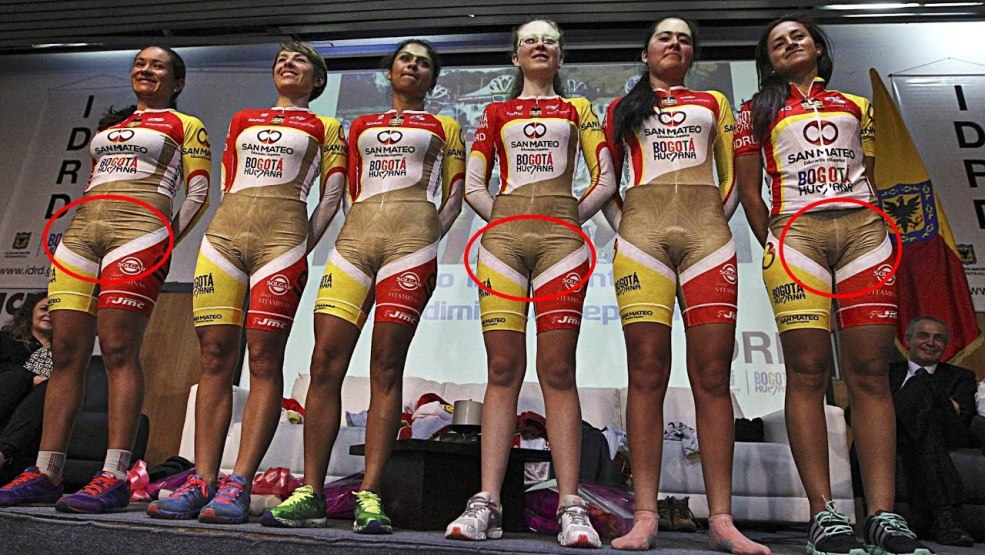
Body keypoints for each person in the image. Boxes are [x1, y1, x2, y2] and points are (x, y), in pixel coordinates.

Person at [734, 17, 930, 555]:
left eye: (798, 36)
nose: (789, 44)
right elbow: (749, 192)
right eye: (778, 42)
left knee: (870, 373)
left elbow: (868, 174)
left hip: (864, 233)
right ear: (769, 61)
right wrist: (773, 240)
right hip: (795, 236)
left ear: (819, 47)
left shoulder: (857, 105)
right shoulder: (754, 111)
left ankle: (883, 515)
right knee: (807, 371)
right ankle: (824, 514)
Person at [259, 39, 466, 533]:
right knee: (323, 362)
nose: (412, 66)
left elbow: (455, 196)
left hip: (410, 246)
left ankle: (369, 494)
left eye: (423, 63)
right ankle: (311, 492)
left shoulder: (447, 126)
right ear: (389, 72)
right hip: (354, 245)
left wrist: (424, 237)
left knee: (386, 367)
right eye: (404, 60)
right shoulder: (360, 127)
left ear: (432, 79)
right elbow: (349, 192)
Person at [0, 46, 211, 512]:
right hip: (82, 234)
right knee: (63, 354)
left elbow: (198, 191)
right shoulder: (109, 128)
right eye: (140, 63)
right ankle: (45, 472)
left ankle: (114, 475)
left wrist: (163, 240)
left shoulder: (185, 124)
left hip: (140, 234)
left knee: (118, 351)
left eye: (158, 65)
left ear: (177, 82)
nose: (145, 69)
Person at [147, 41, 346, 524]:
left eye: (299, 60)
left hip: (283, 241)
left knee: (262, 358)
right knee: (214, 356)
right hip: (224, 238)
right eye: (281, 59)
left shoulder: (328, 126)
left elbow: (332, 194)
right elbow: (227, 182)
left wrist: (301, 244)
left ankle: (238, 482)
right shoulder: (242, 119)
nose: (287, 64)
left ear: (318, 80)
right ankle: (202, 479)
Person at [445, 18, 616, 549]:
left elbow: (606, 179)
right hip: (503, 245)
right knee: (501, 369)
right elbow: (474, 184)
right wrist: (504, 220)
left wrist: (566, 219)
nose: (540, 46)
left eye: (550, 41)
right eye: (530, 41)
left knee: (558, 370)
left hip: (561, 245)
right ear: (515, 56)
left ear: (560, 56)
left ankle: (570, 504)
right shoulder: (495, 113)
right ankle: (487, 501)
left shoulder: (579, 109)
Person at [601, 18, 768, 554]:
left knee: (713, 374)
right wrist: (628, 227)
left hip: (707, 239)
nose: (675, 44)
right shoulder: (621, 108)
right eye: (664, 37)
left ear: (692, 54)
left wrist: (713, 222)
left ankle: (722, 519)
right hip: (642, 239)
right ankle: (645, 515)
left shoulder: (715, 102)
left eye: (684, 39)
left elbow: (733, 177)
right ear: (645, 53)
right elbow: (606, 182)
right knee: (646, 371)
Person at [890, 316, 980, 547]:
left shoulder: (961, 377)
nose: (931, 343)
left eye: (938, 338)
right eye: (923, 336)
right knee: (927, 425)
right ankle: (945, 519)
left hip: (949, 435)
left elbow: (964, 417)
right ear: (908, 340)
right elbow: (853, 414)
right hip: (892, 437)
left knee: (922, 382)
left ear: (945, 345)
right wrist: (943, 402)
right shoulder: (886, 373)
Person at [0, 293, 52, 483]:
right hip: (6, 392)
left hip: (34, 409)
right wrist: (30, 379)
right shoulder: (6, 339)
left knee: (50, 389)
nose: (49, 315)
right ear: (30, 312)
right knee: (20, 377)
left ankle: (2, 453)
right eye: (44, 309)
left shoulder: (67, 350)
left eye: (55, 312)